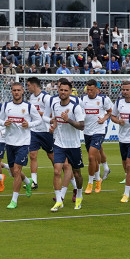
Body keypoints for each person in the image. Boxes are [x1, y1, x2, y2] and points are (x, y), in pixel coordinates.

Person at [0, 82, 41, 209]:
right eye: (14, 90)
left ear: (22, 91)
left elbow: (39, 120)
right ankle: (28, 182)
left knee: (17, 171)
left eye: (18, 90)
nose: (16, 92)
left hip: (23, 143)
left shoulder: (28, 107)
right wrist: (4, 123)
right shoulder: (6, 106)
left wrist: (29, 125)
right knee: (14, 172)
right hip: (9, 142)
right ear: (11, 92)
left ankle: (14, 200)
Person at [49, 79, 87, 212]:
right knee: (56, 171)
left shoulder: (75, 107)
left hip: (73, 145)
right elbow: (56, 121)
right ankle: (59, 201)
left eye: (66, 90)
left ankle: (79, 194)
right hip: (59, 143)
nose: (63, 92)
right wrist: (53, 126)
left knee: (77, 173)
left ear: (70, 92)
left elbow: (81, 126)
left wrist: (68, 119)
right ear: (58, 90)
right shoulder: (55, 105)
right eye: (61, 90)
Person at [79, 79, 112, 194]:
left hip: (99, 131)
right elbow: (80, 113)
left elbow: (110, 112)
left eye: (91, 90)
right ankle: (98, 180)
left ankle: (90, 183)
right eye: (87, 90)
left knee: (91, 156)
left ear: (97, 89)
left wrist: (104, 119)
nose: (89, 92)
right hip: (87, 131)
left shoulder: (103, 99)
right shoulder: (82, 100)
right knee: (93, 158)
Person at [26, 77, 56, 190]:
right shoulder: (31, 97)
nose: (27, 87)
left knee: (51, 155)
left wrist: (38, 113)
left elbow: (53, 113)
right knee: (32, 155)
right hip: (34, 130)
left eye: (28, 85)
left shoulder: (46, 97)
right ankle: (34, 182)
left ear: (34, 85)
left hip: (46, 131)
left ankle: (61, 172)